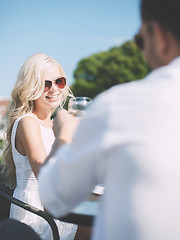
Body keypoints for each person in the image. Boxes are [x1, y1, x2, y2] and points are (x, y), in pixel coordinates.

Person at [38, 0, 180, 239]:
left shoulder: (120, 105)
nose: (142, 52)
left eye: (140, 40)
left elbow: (54, 198)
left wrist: (63, 136)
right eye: (46, 83)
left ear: (159, 36)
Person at [2, 53, 79, 240]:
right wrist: (64, 136)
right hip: (36, 214)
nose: (54, 89)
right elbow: (43, 174)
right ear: (31, 88)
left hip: (58, 207)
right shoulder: (28, 122)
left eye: (59, 82)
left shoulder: (54, 124)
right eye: (46, 84)